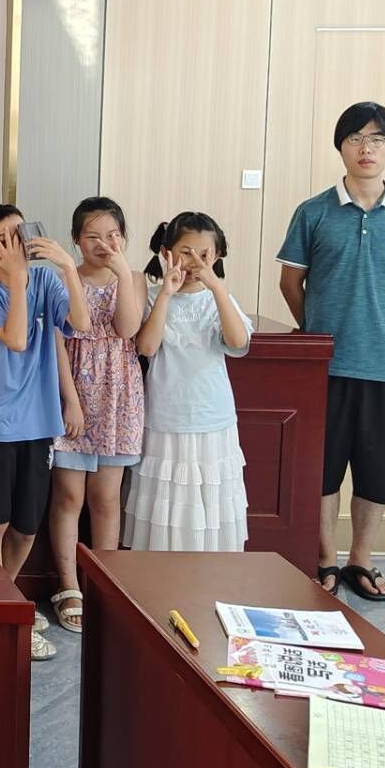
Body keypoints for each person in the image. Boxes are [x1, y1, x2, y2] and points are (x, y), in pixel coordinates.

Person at [278, 102, 385, 603]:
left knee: (377, 470)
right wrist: (317, 333)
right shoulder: (313, 212)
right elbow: (291, 282)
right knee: (323, 468)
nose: (367, 148)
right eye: (356, 139)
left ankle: (360, 560)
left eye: (377, 140)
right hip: (325, 366)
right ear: (341, 147)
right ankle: (324, 557)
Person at [0, 203, 91, 662]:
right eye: (3, 239)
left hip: (38, 423)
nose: (16, 243)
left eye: (19, 232)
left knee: (25, 525)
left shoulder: (47, 280)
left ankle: (4, 601)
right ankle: (2, 614)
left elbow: (81, 324)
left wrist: (68, 269)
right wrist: (17, 280)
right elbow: (16, 339)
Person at [126, 214, 253, 553]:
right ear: (166, 253)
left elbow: (238, 342)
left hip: (213, 420)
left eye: (205, 255)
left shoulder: (218, 298)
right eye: (186, 252)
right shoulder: (153, 297)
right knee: (166, 508)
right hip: (165, 418)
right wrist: (166, 294)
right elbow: (146, 347)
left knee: (209, 508)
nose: (195, 262)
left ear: (217, 256)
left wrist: (217, 288)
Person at [47, 197, 145, 633]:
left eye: (113, 235)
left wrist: (122, 271)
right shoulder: (61, 279)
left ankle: (104, 584)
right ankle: (69, 585)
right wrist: (69, 400)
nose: (103, 244)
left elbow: (127, 329)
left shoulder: (134, 279)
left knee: (107, 498)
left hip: (119, 395)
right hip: (74, 392)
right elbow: (59, 343)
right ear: (75, 239)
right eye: (92, 236)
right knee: (69, 496)